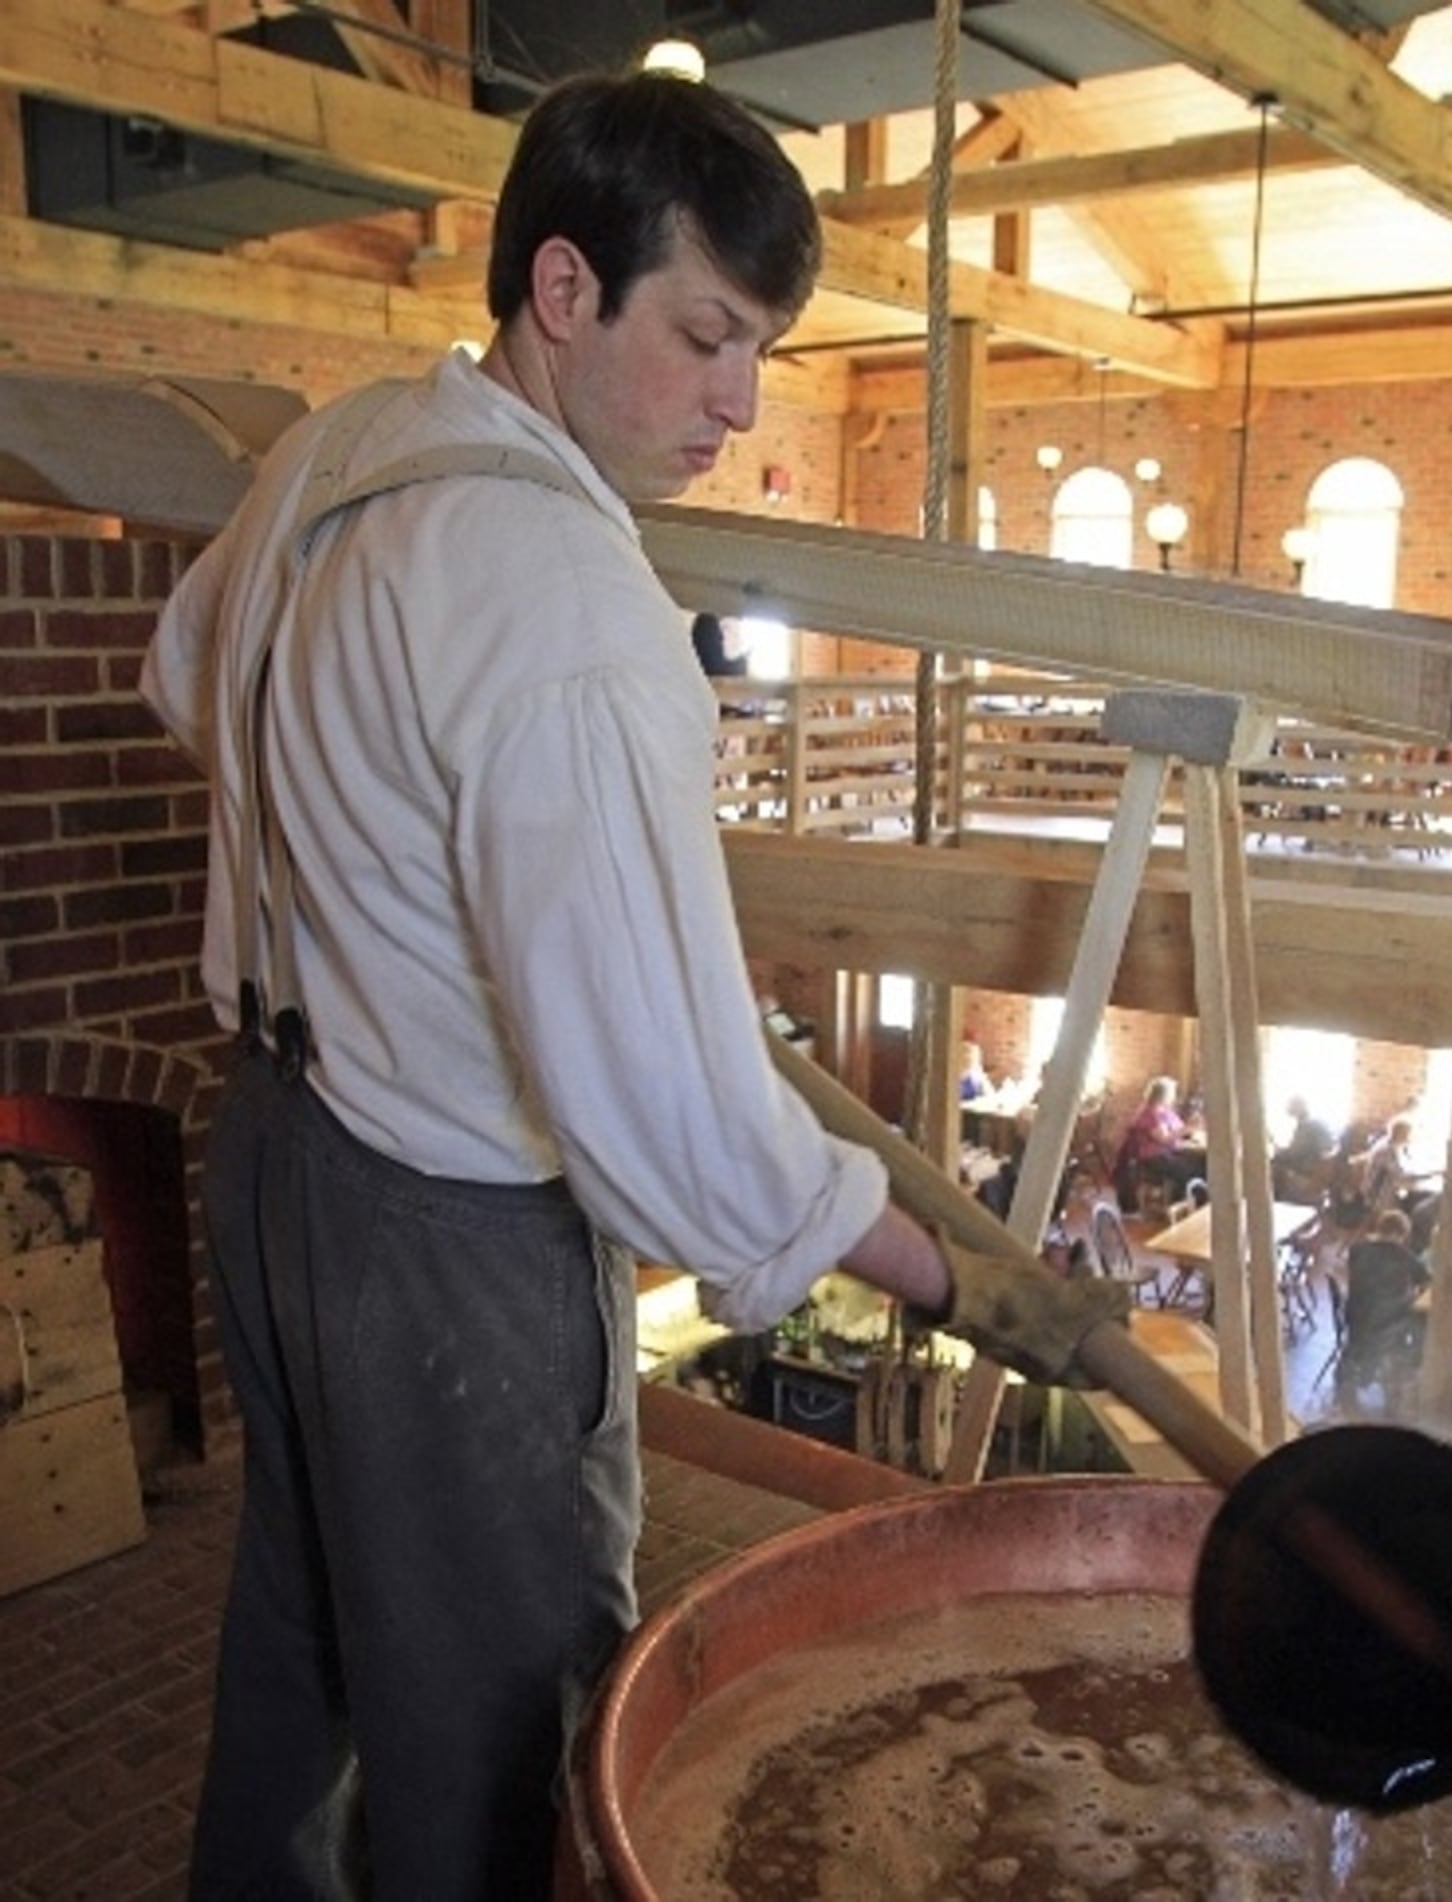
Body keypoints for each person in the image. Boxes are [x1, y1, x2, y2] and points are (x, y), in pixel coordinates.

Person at [139, 70, 1124, 1899]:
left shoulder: (334, 450)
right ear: (566, 290)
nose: (741, 405)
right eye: (706, 337)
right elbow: (674, 1126)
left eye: (760, 349)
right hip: (446, 1244)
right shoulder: (566, 606)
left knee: (305, 1650)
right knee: (507, 1740)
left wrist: (381, 896)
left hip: (273, 1160)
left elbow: (190, 671)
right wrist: (957, 1273)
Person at [1336, 1209, 1430, 1410]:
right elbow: (1427, 1282)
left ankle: (1362, 1374)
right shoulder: (1405, 1256)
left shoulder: (1357, 1250)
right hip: (1385, 1324)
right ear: (1401, 1235)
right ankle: (1410, 1372)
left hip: (1355, 1319)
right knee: (1421, 1320)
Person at [1114, 1076, 1204, 1208]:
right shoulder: (1150, 1114)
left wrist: (1191, 1125)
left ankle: (1185, 1203)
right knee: (1188, 1170)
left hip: (1169, 1152)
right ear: (1164, 1094)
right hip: (1153, 1158)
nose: (1174, 1096)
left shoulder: (1166, 1111)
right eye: (1173, 1092)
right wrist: (1187, 1129)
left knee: (1199, 1163)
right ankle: (1181, 1206)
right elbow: (1165, 1139)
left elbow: (1180, 1129)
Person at [1271, 1094, 1337, 1205]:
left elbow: (1294, 1154)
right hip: (1319, 1177)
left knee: (1270, 1170)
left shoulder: (1307, 1126)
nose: (1288, 1109)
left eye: (1291, 1106)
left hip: (1308, 1177)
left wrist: (1277, 1152)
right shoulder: (1318, 1122)